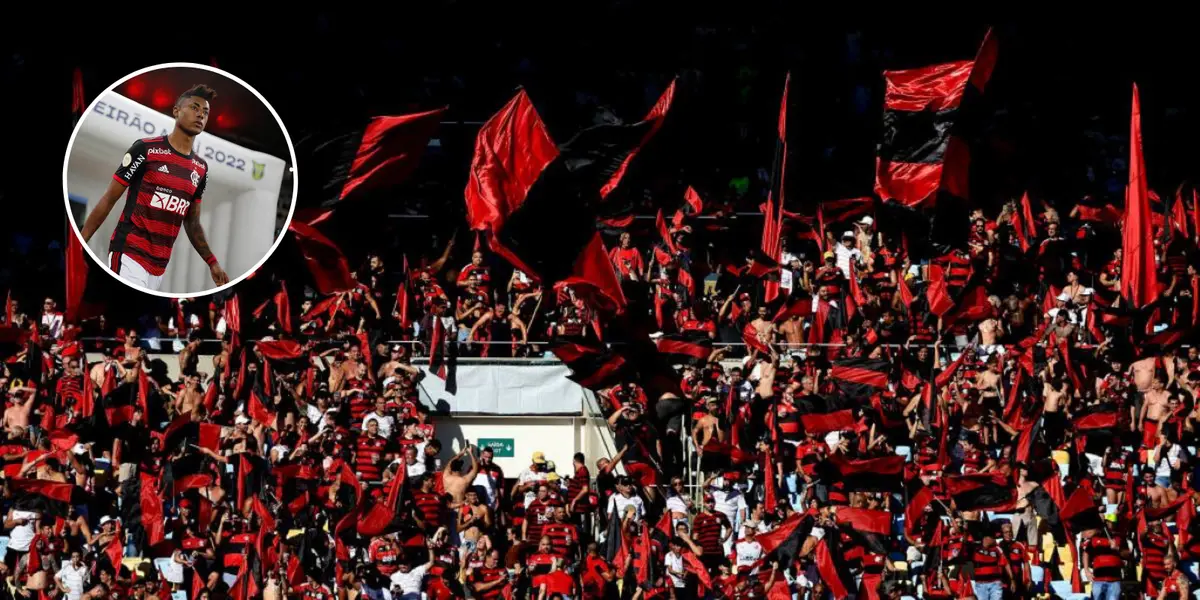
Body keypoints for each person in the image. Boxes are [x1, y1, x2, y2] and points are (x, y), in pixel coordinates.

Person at [79, 84, 228, 290]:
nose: (200, 115)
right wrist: (81, 242)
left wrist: (212, 262)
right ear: (176, 111)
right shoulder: (145, 149)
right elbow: (109, 198)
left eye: (205, 112)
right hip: (129, 254)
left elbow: (192, 222)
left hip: (159, 267)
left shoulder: (201, 168)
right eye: (194, 108)